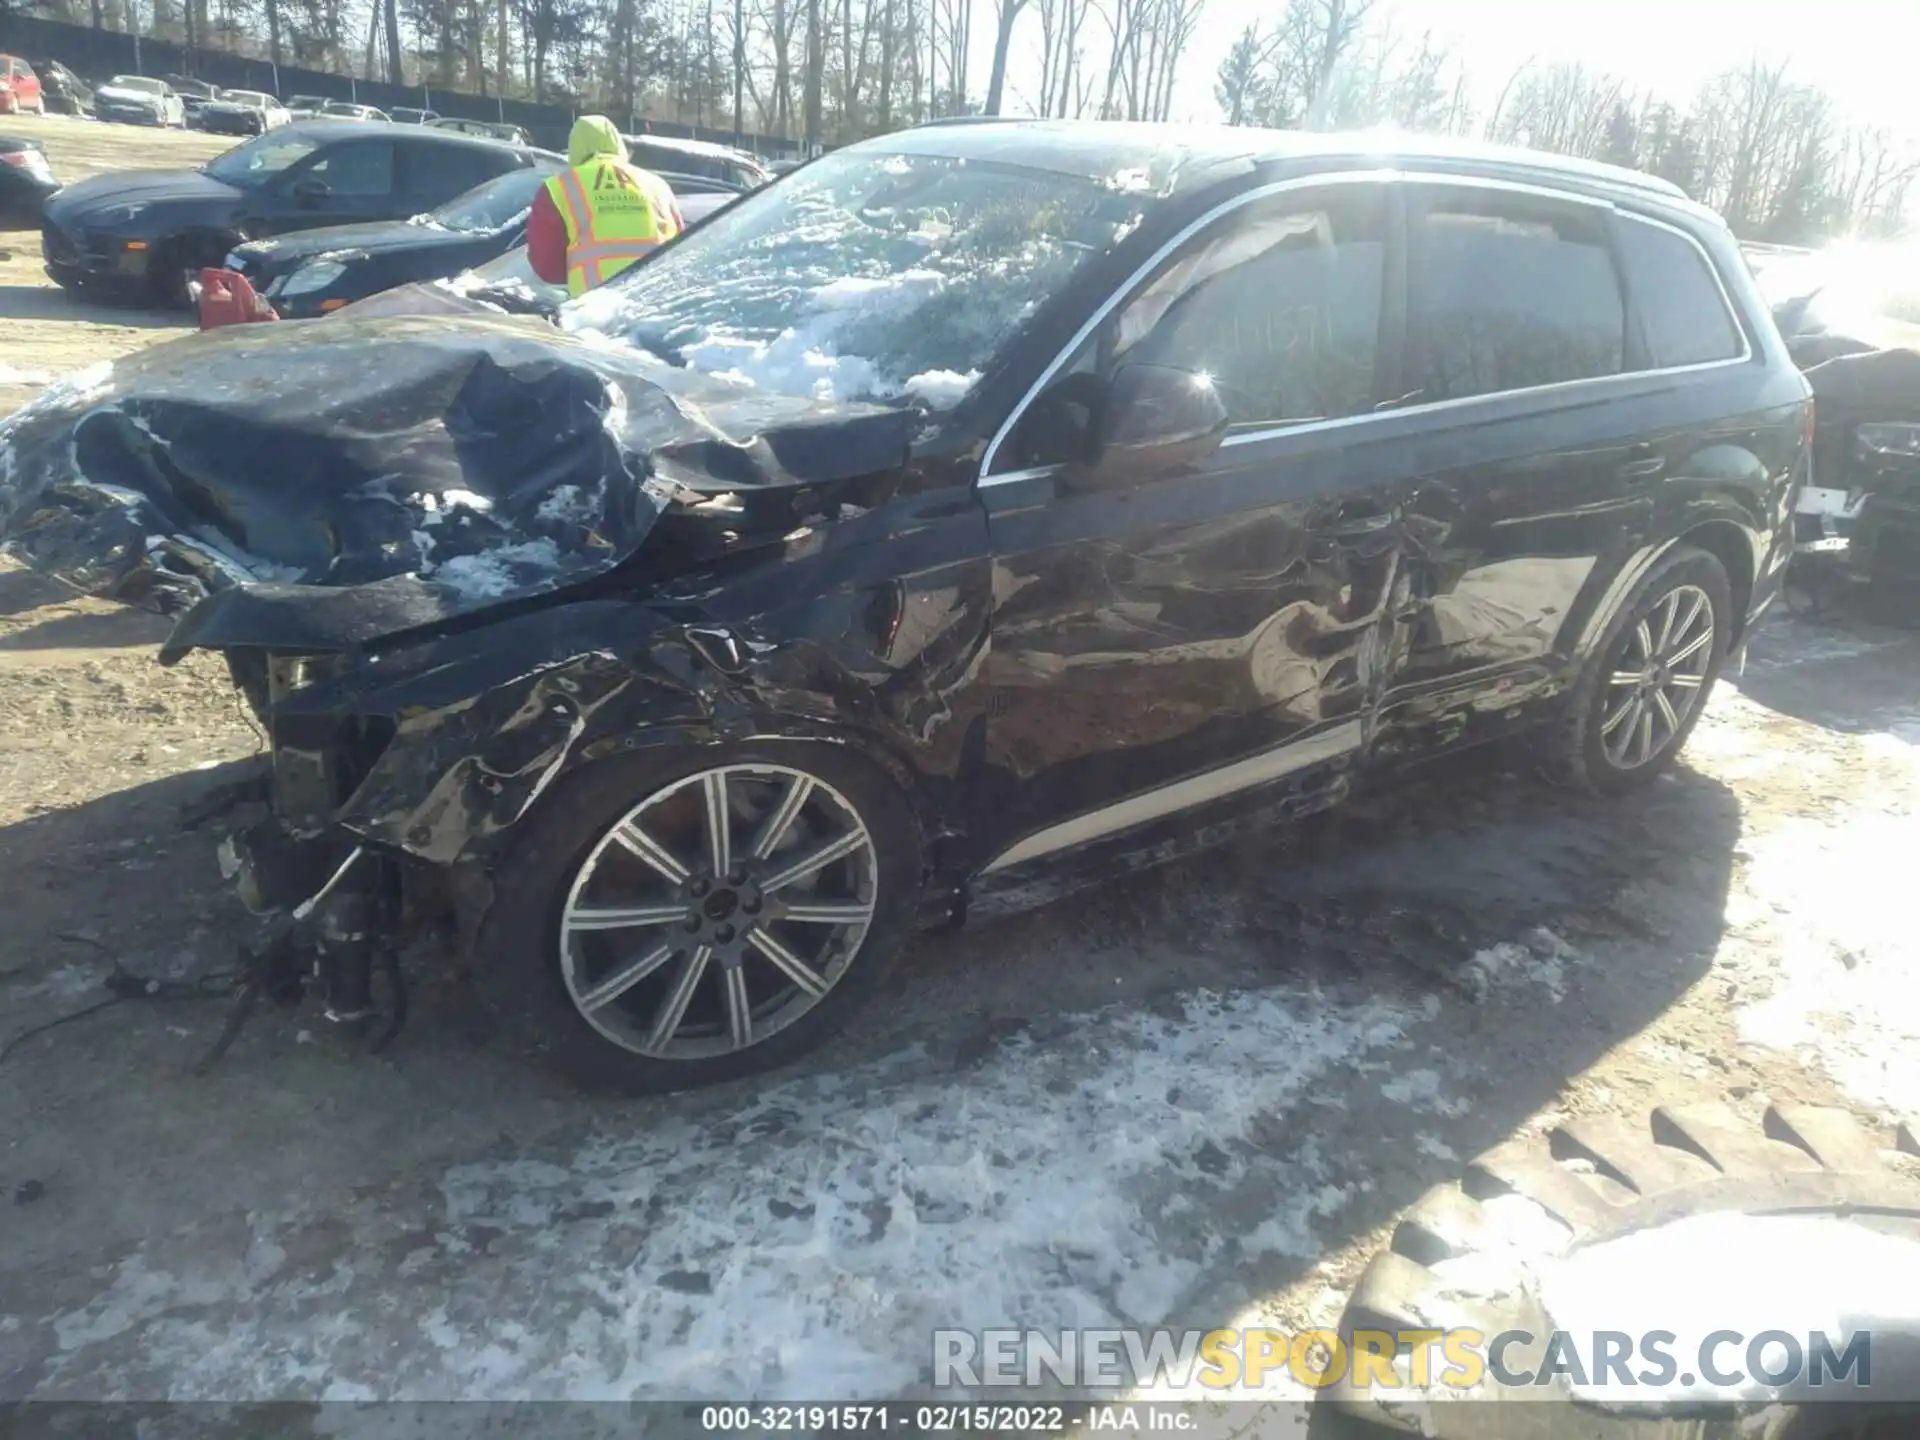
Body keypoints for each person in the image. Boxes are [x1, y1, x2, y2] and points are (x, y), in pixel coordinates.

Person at [527, 116, 683, 298]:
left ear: (574, 148)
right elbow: (683, 247)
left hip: (596, 311)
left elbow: (547, 266)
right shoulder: (657, 185)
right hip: (658, 302)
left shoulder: (559, 187)